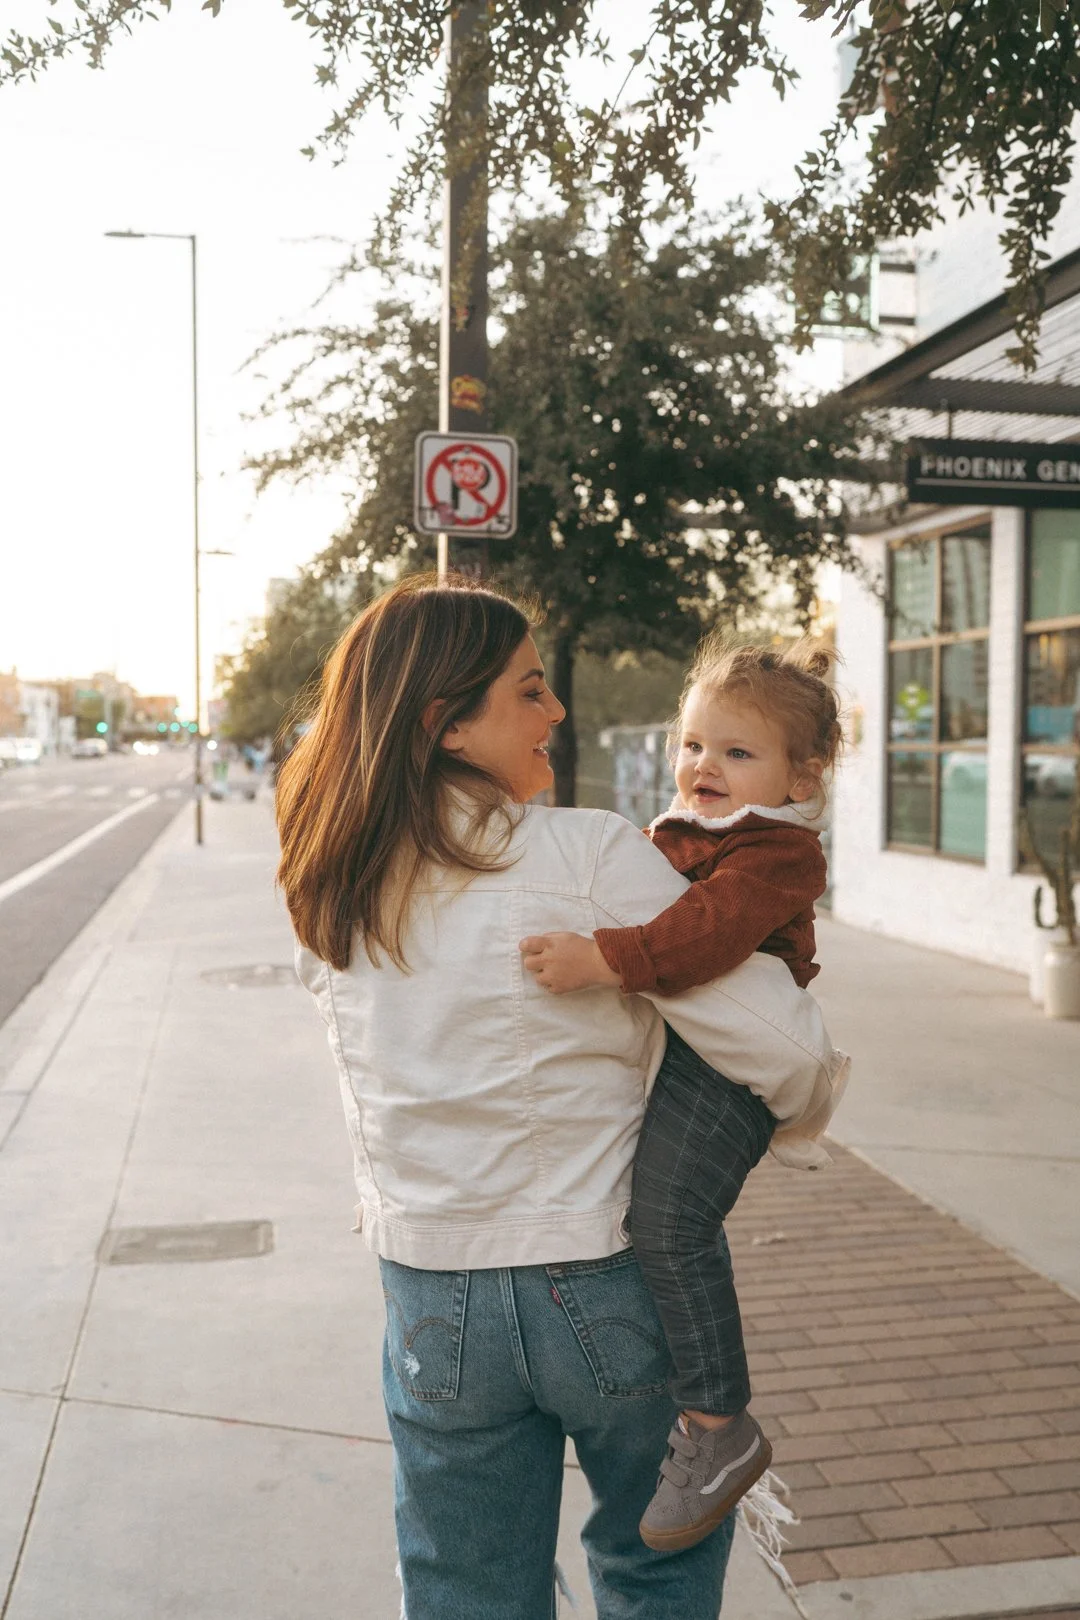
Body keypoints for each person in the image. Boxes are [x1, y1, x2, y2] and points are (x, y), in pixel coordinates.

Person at [276, 577, 847, 1620]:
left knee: (465, 1590)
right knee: (653, 1569)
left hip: (430, 1296)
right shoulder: (586, 854)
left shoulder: (326, 884)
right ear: (447, 724)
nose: (557, 712)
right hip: (605, 1279)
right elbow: (780, 1041)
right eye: (529, 691)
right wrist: (795, 1119)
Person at [520, 637, 843, 1554]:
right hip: (685, 1052)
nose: (706, 765)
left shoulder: (779, 853)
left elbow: (702, 935)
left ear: (799, 776)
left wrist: (601, 960)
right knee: (644, 1214)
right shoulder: (681, 833)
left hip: (728, 1071)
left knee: (669, 1222)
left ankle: (717, 1426)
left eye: (739, 753)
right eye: (695, 742)